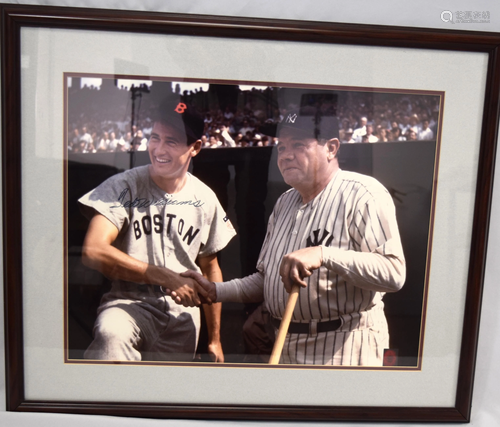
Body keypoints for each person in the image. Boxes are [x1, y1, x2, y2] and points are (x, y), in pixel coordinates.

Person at [177, 109, 406, 366]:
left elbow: (393, 273)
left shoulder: (363, 194)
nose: (285, 155)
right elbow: (266, 280)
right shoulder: (285, 202)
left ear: (331, 148)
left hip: (344, 344)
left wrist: (324, 254)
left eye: (298, 145)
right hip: (285, 343)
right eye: (282, 147)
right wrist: (216, 290)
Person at [78, 96, 236, 362]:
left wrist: (215, 339)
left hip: (183, 316)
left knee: (166, 395)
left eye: (171, 141)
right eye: (155, 137)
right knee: (111, 335)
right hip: (129, 303)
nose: (159, 149)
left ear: (195, 147)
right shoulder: (124, 186)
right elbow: (93, 250)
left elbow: (210, 268)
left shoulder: (205, 197)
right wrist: (164, 276)